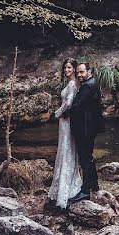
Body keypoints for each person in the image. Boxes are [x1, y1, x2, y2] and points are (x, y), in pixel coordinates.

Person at [60, 62, 104, 203]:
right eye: (77, 72)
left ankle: (85, 191)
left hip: (85, 128)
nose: (79, 75)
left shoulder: (87, 86)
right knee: (88, 157)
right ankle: (94, 185)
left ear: (89, 71)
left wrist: (63, 114)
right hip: (90, 127)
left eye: (82, 72)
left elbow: (77, 106)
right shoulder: (92, 82)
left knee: (85, 159)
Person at [48, 59, 83, 209]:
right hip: (66, 122)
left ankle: (65, 190)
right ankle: (66, 185)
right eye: (65, 68)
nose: (66, 70)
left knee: (66, 150)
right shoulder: (74, 83)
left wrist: (57, 113)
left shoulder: (72, 84)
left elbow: (69, 103)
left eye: (69, 67)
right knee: (66, 150)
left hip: (66, 121)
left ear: (74, 69)